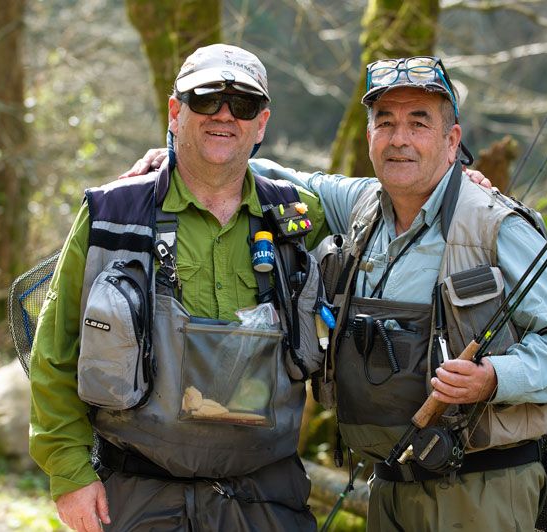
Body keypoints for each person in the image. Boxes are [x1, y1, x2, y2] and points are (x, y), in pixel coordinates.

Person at [126, 55, 547, 531]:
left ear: (452, 142)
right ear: (369, 137)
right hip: (388, 483)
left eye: (419, 123)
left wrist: (493, 377)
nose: (400, 139)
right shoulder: (359, 205)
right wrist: (177, 153)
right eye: (384, 122)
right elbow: (277, 174)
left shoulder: (497, 225)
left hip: (481, 490)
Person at [28, 43, 333, 532]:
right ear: (176, 111)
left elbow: (388, 204)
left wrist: (457, 179)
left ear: (262, 123)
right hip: (137, 492)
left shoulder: (300, 217)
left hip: (265, 498)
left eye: (244, 105)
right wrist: (69, 473)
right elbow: (55, 351)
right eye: (207, 98)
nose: (225, 115)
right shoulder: (112, 214)